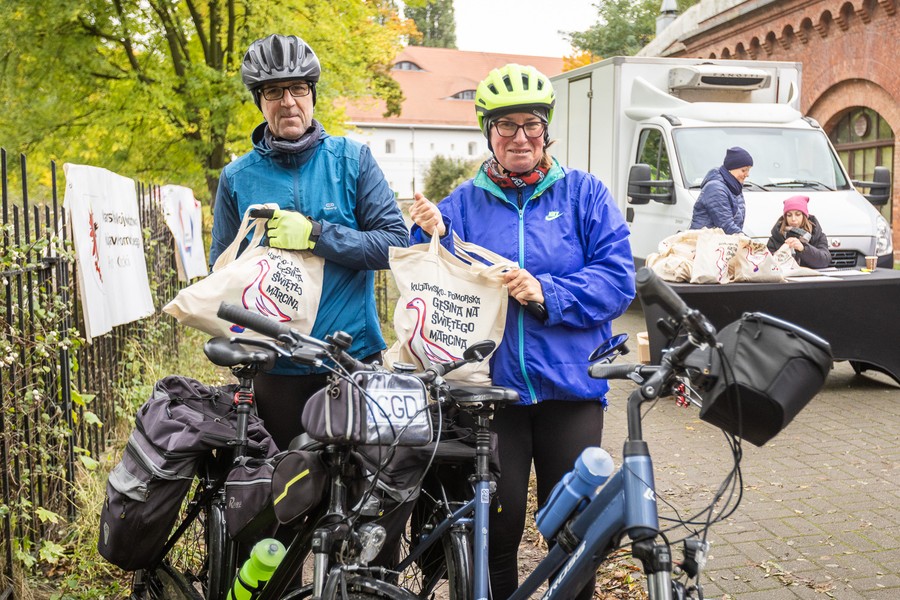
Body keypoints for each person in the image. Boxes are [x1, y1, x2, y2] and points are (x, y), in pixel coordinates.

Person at [407, 63, 635, 599]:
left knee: (574, 531)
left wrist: (547, 293)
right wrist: (430, 235)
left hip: (572, 388)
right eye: (505, 126)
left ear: (547, 129)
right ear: (488, 132)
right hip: (494, 394)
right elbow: (440, 281)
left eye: (531, 124)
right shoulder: (461, 203)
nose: (520, 137)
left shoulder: (584, 194)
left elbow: (618, 278)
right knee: (496, 531)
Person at [209, 34, 409, 451]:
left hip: (352, 357)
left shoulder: (352, 160)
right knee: (284, 496)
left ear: (312, 94)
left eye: (299, 88)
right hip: (275, 367)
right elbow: (222, 274)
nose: (288, 102)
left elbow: (395, 245)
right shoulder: (237, 178)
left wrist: (317, 235)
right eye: (274, 91)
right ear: (260, 102)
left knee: (361, 498)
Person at [689, 146, 753, 234]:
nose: (747, 174)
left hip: (722, 244)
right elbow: (726, 225)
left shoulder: (735, 187)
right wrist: (749, 242)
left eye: (748, 170)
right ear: (731, 168)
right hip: (707, 244)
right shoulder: (715, 188)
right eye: (743, 170)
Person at [766, 195, 831, 268]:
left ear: (804, 216)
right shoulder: (775, 238)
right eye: (789, 215)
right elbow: (768, 264)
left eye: (798, 214)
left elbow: (824, 261)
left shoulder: (818, 236)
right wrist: (781, 253)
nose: (793, 219)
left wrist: (803, 249)